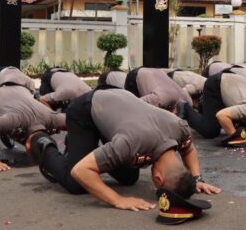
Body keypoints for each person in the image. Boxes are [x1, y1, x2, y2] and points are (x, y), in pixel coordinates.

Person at [34, 86, 221, 209]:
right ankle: (42, 144)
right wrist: (118, 200)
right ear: (157, 178)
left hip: (118, 103)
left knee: (129, 177)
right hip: (86, 110)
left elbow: (188, 149)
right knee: (75, 183)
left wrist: (196, 179)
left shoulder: (180, 127)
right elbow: (80, 171)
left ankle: (81, 147)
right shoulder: (131, 144)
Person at [0, 67, 66, 172]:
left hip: (19, 92)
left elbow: (78, 120)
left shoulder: (53, 118)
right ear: (27, 146)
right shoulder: (13, 120)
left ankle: (0, 128)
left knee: (15, 128)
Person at [179, 70, 246, 144]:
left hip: (232, 81)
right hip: (216, 85)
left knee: (244, 127)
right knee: (210, 131)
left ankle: (204, 107)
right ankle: (185, 108)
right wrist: (238, 138)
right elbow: (221, 115)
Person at [124, 67, 193, 110]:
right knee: (133, 103)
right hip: (134, 77)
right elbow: (134, 104)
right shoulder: (160, 98)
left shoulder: (188, 99)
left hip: (153, 71)